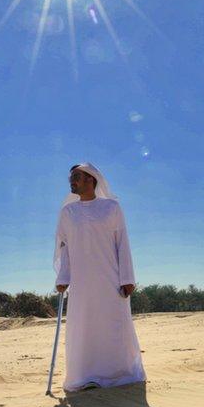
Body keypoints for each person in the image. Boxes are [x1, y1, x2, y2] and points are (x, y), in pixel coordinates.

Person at [53, 163, 145, 392]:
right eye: (71, 177)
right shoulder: (68, 213)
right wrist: (63, 276)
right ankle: (85, 376)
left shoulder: (111, 207)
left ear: (91, 180)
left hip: (110, 278)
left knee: (113, 324)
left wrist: (127, 278)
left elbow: (122, 242)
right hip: (82, 282)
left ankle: (120, 374)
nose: (71, 181)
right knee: (84, 325)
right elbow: (64, 247)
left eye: (77, 177)